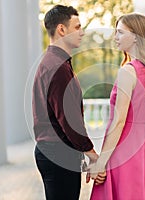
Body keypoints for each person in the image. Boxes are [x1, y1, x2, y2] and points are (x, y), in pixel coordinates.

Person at [87, 13, 145, 200]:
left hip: (122, 151)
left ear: (136, 37)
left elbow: (119, 121)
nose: (115, 37)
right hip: (141, 151)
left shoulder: (128, 71)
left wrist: (101, 162)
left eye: (120, 32)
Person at [32, 5, 105, 200]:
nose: (81, 32)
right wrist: (93, 155)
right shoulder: (57, 67)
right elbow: (69, 120)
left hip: (55, 152)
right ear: (61, 30)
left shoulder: (55, 62)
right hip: (58, 155)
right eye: (77, 27)